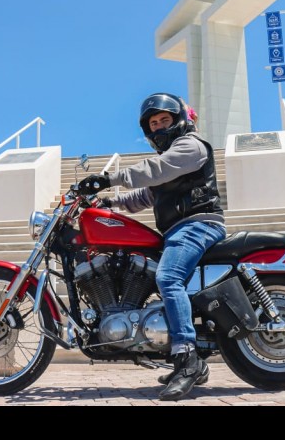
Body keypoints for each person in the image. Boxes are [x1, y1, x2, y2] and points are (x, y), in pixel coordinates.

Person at [77, 92, 226, 401]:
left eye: (164, 120)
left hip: (197, 224)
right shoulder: (172, 158)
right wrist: (108, 203)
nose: (158, 127)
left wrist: (108, 179)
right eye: (153, 123)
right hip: (177, 229)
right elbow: (146, 195)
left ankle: (187, 359)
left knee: (168, 278)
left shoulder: (190, 146)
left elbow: (156, 170)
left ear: (179, 120)